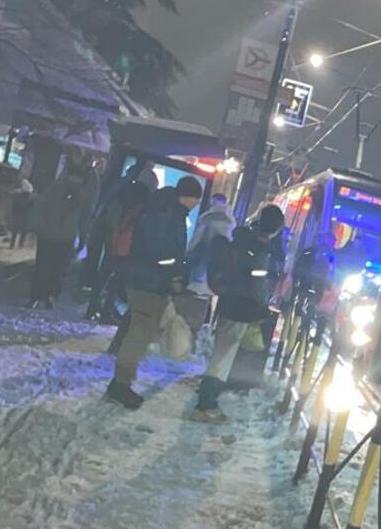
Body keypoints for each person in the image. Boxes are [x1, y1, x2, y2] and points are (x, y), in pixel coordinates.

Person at [104, 173, 203, 409]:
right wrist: (175, 274)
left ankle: (122, 381)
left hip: (148, 280)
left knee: (141, 330)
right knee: (140, 332)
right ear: (187, 196)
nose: (197, 203)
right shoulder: (166, 213)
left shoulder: (165, 209)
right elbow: (161, 252)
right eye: (196, 199)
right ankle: (120, 384)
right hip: (147, 282)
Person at [193, 204, 285, 419]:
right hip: (242, 306)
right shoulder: (261, 249)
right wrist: (263, 306)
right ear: (276, 227)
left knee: (221, 351)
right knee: (223, 357)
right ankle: (204, 406)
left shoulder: (242, 239)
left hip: (228, 301)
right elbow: (258, 283)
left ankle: (207, 396)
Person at [86, 175, 151, 320]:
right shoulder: (137, 210)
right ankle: (106, 313)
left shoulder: (118, 203)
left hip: (113, 246)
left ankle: (93, 309)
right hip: (124, 250)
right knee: (114, 283)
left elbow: (110, 225)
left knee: (103, 278)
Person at [29, 169, 90, 306]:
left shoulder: (79, 198)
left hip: (61, 237)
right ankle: (42, 296)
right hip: (54, 236)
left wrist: (82, 238)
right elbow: (39, 209)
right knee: (49, 269)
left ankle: (44, 296)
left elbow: (84, 221)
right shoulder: (55, 192)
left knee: (54, 269)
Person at [186, 192, 235, 292]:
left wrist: (189, 248)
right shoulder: (231, 221)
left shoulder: (208, 218)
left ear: (215, 201)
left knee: (195, 282)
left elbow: (198, 236)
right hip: (219, 259)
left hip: (204, 252)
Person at [9, 176, 34, 248]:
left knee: (16, 231)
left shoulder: (19, 196)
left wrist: (13, 213)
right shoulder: (30, 197)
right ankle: (20, 245)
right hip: (24, 215)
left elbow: (14, 206)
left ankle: (13, 245)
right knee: (22, 231)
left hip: (19, 215)